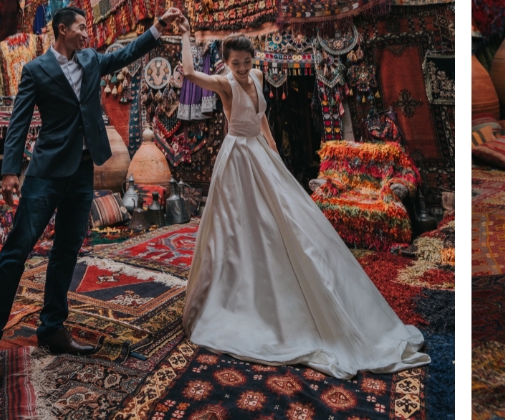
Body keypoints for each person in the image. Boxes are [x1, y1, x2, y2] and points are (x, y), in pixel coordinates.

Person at [177, 24, 429, 379]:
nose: (244, 69)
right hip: (236, 159)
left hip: (261, 154)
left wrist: (274, 149)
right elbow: (188, 73)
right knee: (240, 225)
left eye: (248, 62)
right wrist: (187, 36)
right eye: (237, 64)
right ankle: (238, 292)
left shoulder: (260, 76)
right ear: (227, 63)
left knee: (290, 219)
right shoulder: (224, 83)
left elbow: (262, 117)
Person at [0, 5, 184, 387]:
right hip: (46, 173)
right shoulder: (36, 70)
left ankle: (52, 328)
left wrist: (155, 29)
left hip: (83, 170)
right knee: (17, 250)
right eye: (81, 28)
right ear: (61, 30)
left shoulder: (90, 60)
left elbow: (125, 54)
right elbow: (20, 119)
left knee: (68, 250)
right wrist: (8, 172)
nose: (87, 34)